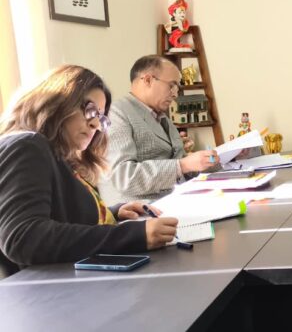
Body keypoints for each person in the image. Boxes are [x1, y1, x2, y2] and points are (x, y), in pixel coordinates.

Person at [0, 65, 179, 277]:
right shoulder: (26, 145)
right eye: (90, 110)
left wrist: (111, 213)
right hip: (51, 291)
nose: (96, 124)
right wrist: (133, 235)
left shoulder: (54, 153)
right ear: (56, 102)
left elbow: (59, 216)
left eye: (101, 118)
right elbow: (24, 237)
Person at [98, 55, 219, 205]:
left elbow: (181, 168)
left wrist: (216, 160)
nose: (175, 94)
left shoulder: (162, 117)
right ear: (148, 80)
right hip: (141, 209)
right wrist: (183, 165)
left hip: (176, 200)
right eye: (171, 86)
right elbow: (123, 177)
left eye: (177, 88)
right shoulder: (116, 114)